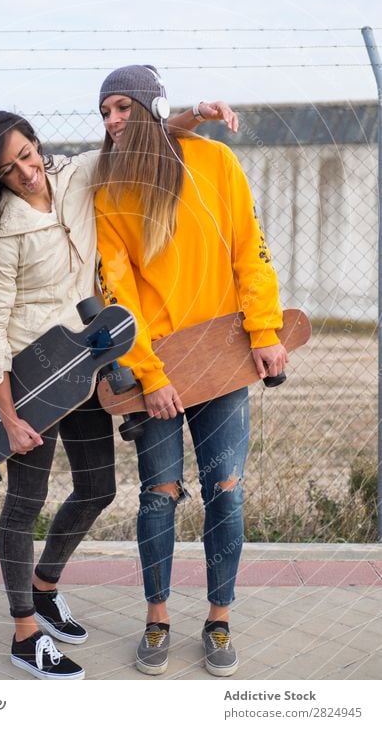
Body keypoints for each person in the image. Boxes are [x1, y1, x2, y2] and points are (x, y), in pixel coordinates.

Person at [0, 97, 236, 680]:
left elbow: (139, 138)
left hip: (80, 371)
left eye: (27, 155)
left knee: (98, 489)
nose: (26, 173)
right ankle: (25, 633)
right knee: (24, 504)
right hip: (29, 382)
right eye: (8, 170)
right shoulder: (3, 228)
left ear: (35, 143)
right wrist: (7, 417)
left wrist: (195, 116)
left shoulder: (75, 176)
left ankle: (44, 587)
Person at [94, 65, 288, 677]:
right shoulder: (112, 189)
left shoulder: (217, 164)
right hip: (160, 365)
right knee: (159, 496)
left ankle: (219, 617)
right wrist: (149, 376)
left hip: (224, 356)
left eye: (123, 107)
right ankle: (156, 621)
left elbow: (249, 250)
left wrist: (264, 331)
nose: (112, 121)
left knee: (226, 491)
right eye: (105, 112)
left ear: (151, 107)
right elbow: (116, 293)